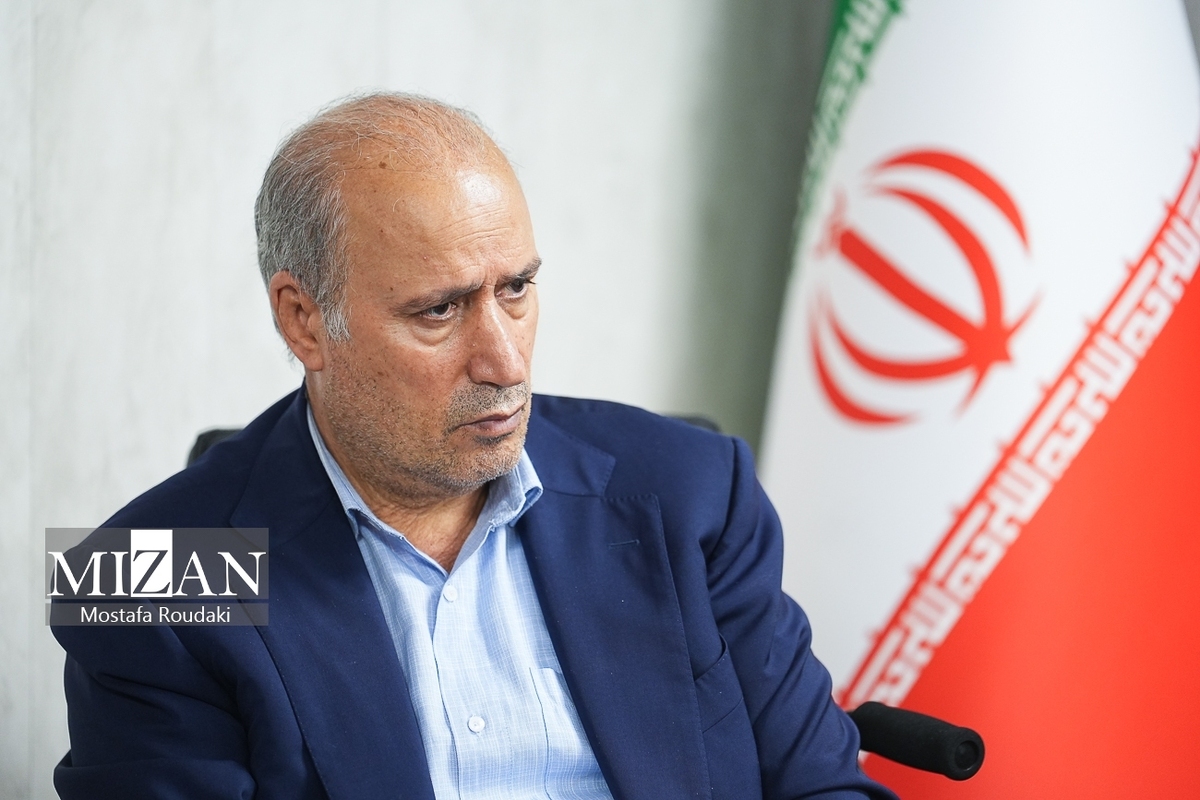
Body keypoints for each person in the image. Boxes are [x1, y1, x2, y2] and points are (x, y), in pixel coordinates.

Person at [52, 92, 896, 799]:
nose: (505, 363)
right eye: (440, 310)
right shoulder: (154, 575)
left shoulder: (691, 492)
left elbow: (822, 786)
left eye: (517, 289)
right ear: (303, 320)